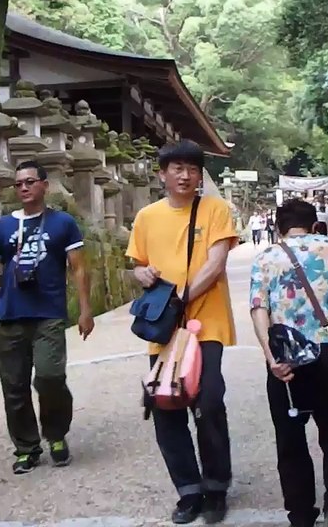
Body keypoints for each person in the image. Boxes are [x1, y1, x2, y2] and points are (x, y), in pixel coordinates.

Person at [127, 140, 239, 524]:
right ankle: (188, 490)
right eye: (176, 168)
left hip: (206, 323)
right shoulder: (146, 217)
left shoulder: (215, 209)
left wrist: (183, 296)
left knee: (208, 402)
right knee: (166, 403)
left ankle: (216, 485)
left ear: (199, 175)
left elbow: (217, 260)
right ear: (162, 174)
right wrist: (141, 274)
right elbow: (138, 266)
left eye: (192, 168)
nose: (185, 175)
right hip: (166, 329)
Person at [0, 161, 94, 475]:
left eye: (30, 182)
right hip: (9, 315)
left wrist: (85, 309)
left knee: (50, 377)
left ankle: (56, 434)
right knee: (14, 386)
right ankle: (26, 447)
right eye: (18, 183)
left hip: (48, 313)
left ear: (44, 185)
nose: (23, 188)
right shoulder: (5, 226)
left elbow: (78, 267)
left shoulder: (63, 223)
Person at [249, 199, 328, 527]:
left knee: (290, 439)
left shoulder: (266, 257)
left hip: (286, 358)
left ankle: (301, 514)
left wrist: (270, 355)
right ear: (315, 224)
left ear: (278, 226)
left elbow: (258, 307)